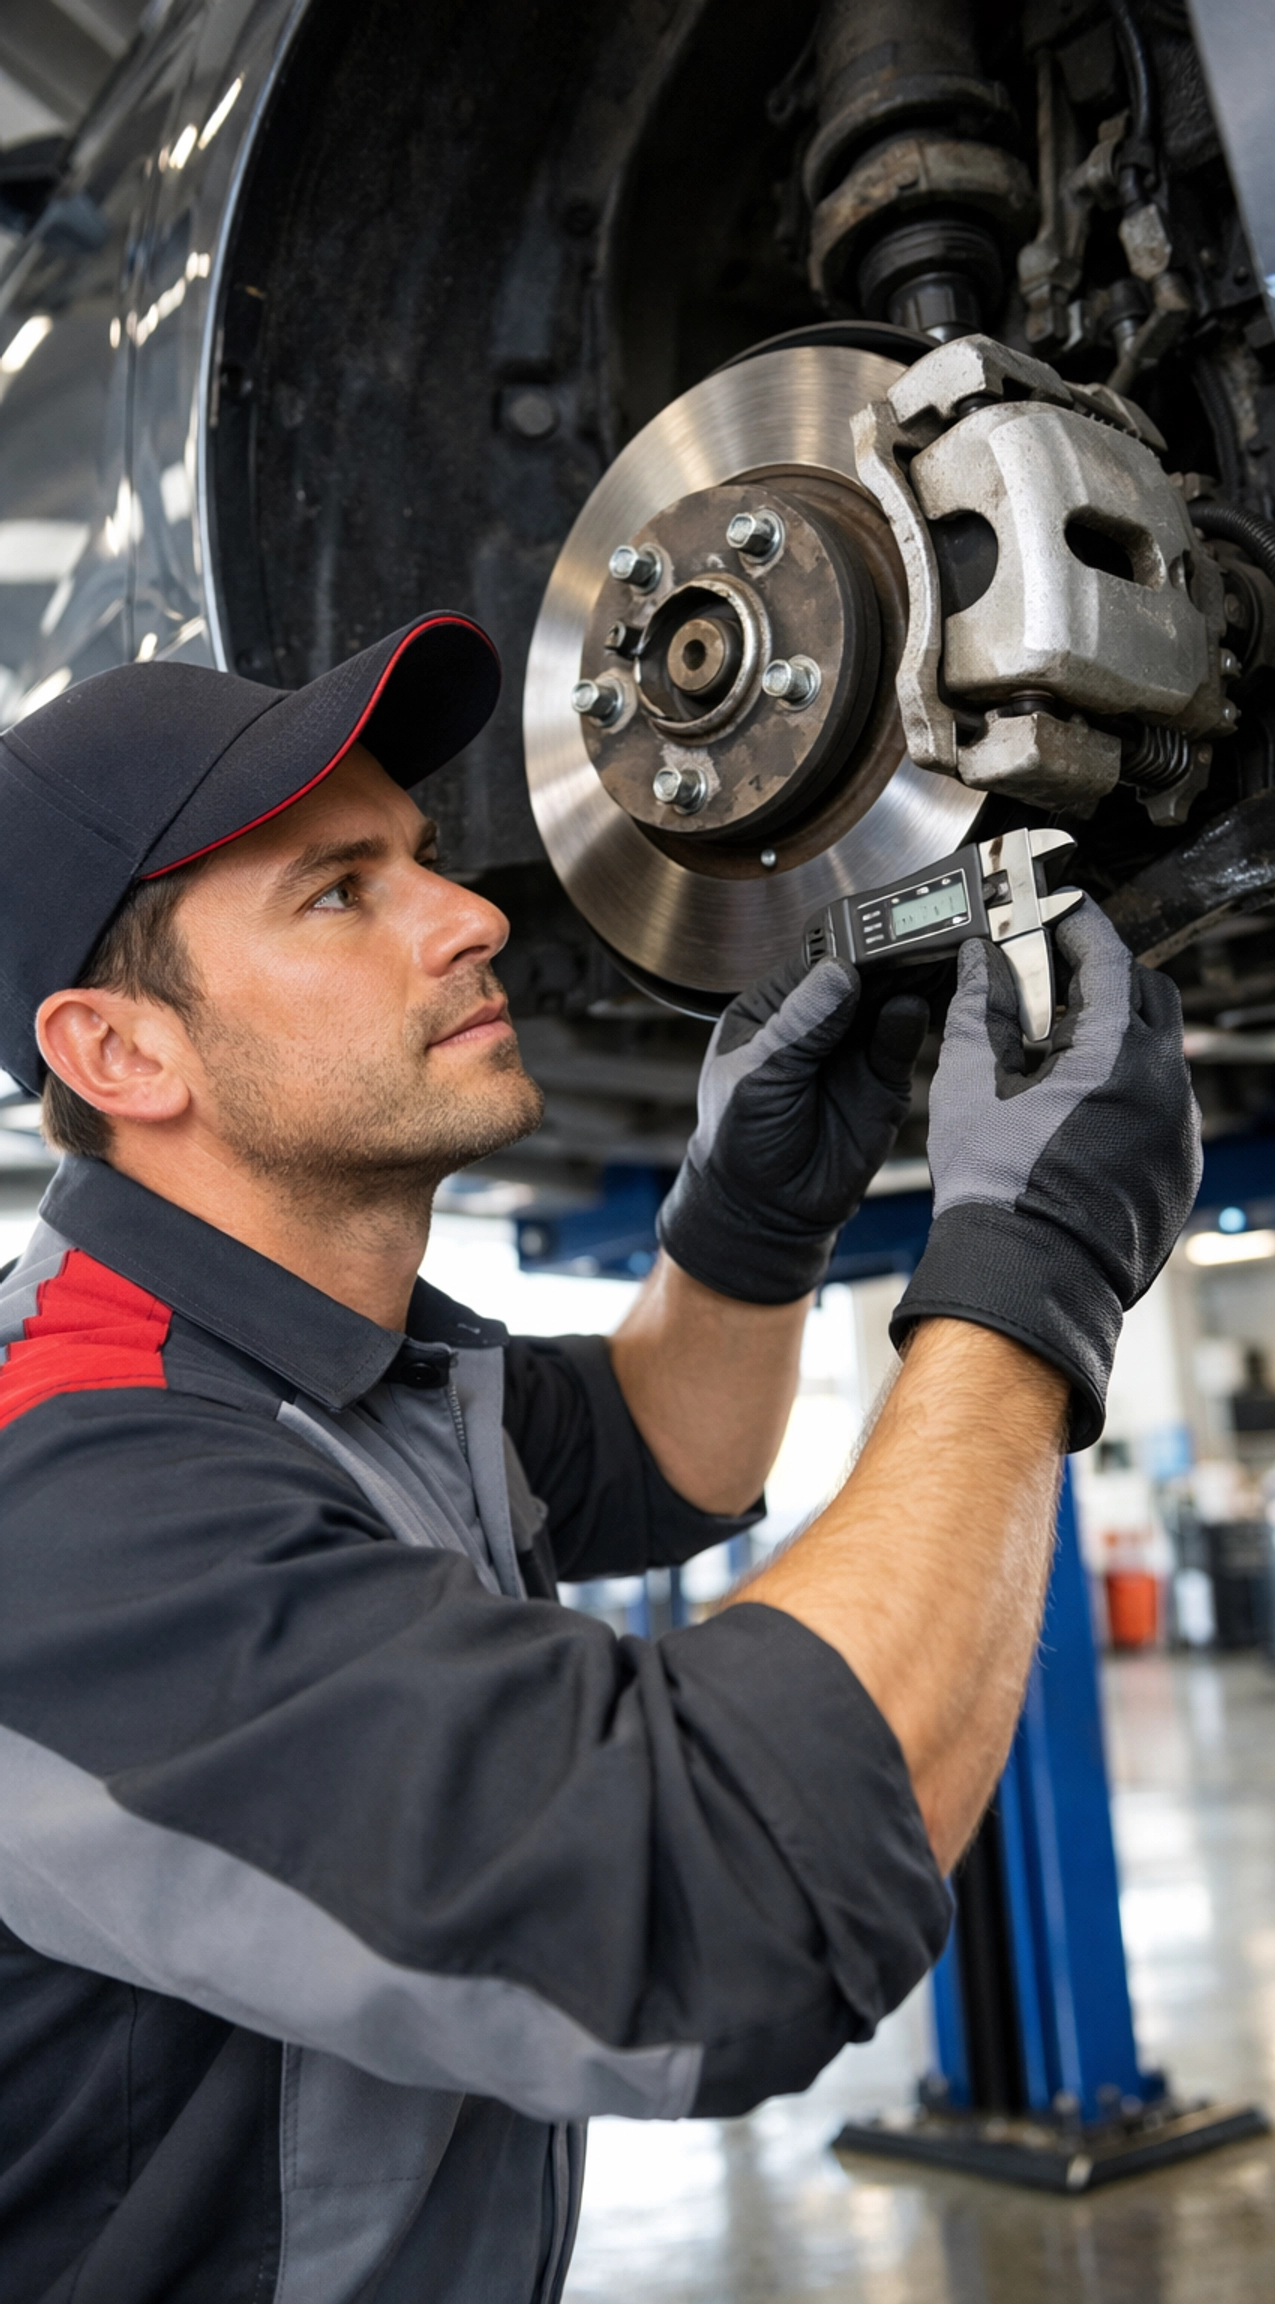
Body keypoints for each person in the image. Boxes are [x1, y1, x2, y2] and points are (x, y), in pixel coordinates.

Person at [0, 612, 1200, 2302]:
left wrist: (749, 1218)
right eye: (338, 893)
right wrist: (1032, 1273)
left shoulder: (335, 1370)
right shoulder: (74, 1488)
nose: (473, 914)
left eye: (421, 857)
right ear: (121, 1053)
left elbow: (660, 1450)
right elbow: (722, 1902)